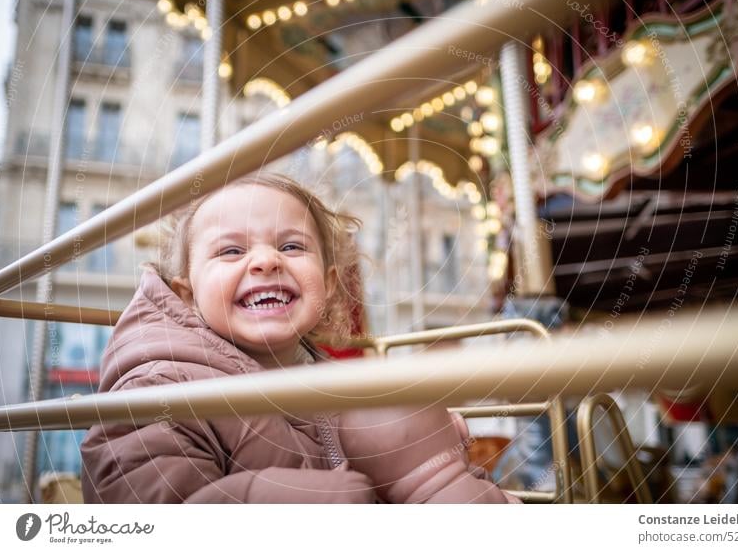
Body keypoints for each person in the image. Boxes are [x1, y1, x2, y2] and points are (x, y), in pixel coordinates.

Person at [80, 173, 515, 503]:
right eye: (232, 251)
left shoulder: (334, 382)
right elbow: (142, 504)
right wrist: (268, 502)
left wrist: (439, 466)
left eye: (291, 247)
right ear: (186, 295)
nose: (266, 260)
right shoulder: (160, 386)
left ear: (327, 284)